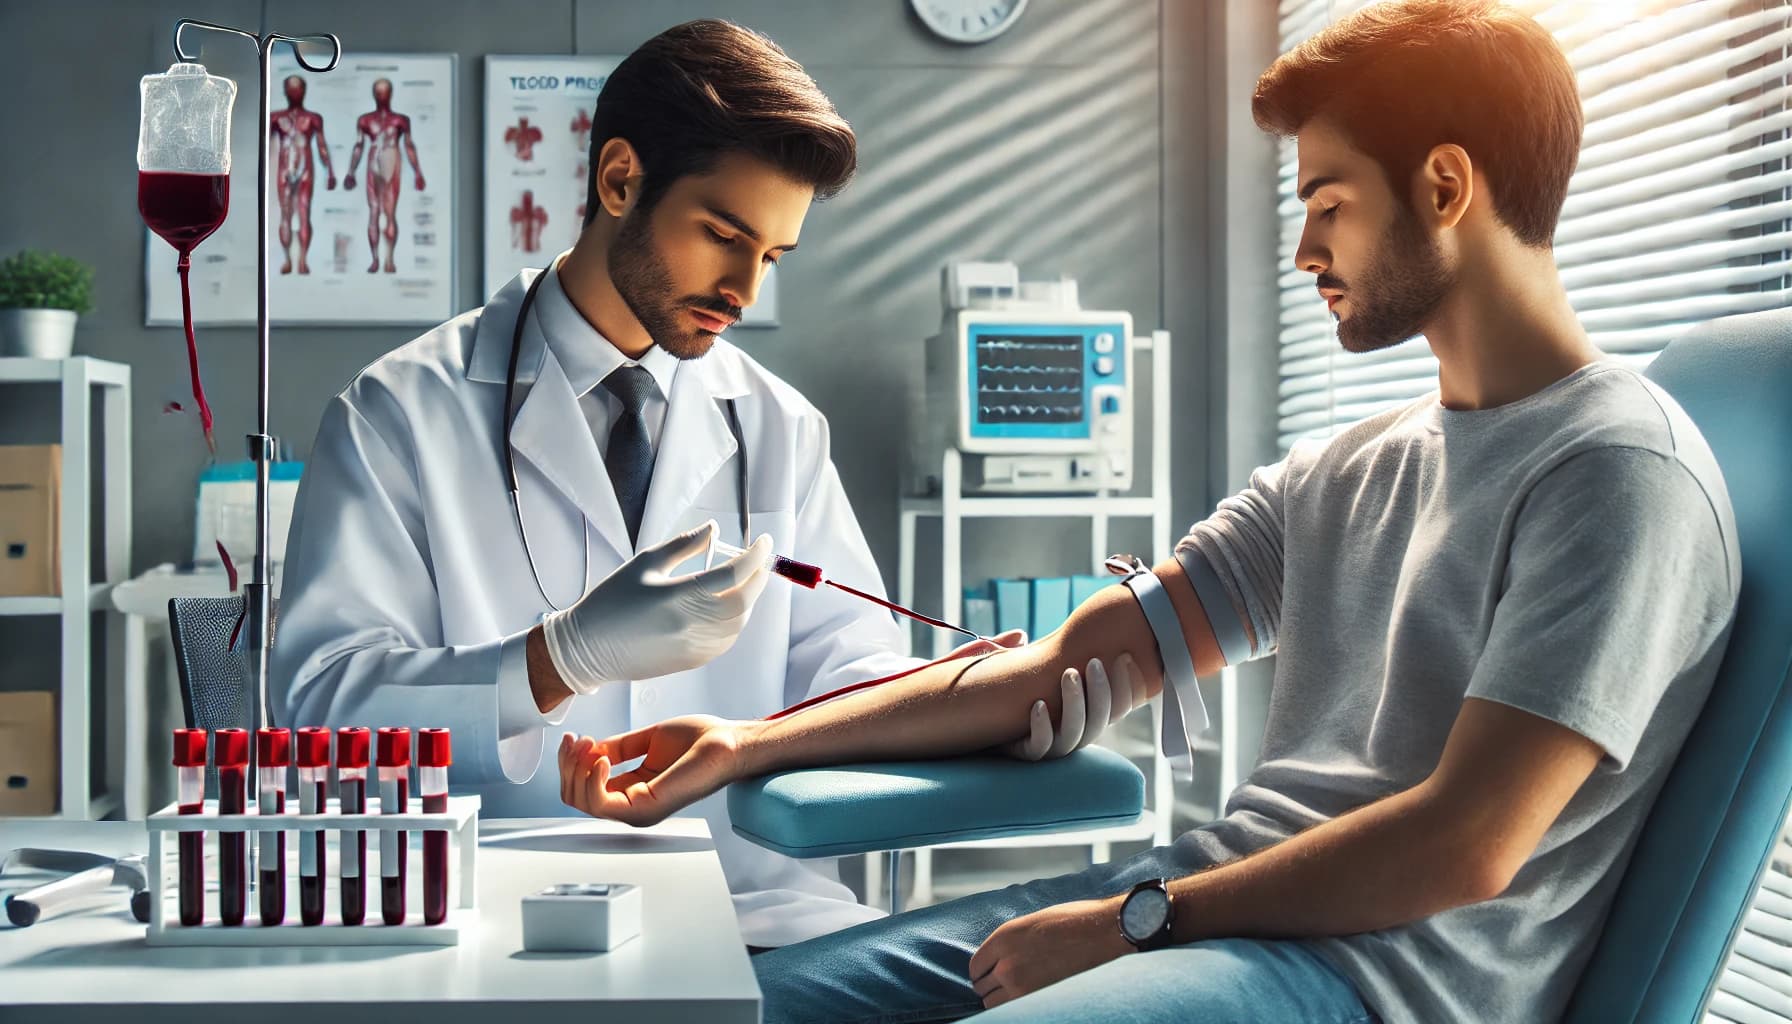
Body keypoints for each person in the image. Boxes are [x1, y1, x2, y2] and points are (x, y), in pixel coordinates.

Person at [556, 2, 1741, 1019]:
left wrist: (1133, 921)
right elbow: (1057, 666)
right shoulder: (1345, 469)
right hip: (1203, 900)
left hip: (1373, 978)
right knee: (752, 1007)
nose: (1304, 250)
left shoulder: (1616, 471)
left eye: (1327, 202)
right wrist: (743, 745)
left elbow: (1465, 843)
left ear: (1444, 185)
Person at [273, 19, 1090, 949]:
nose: (743, 287)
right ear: (620, 180)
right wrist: (556, 661)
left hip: (760, 913)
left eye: (773, 256)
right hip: (496, 916)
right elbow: (321, 715)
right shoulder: (399, 415)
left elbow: (851, 671)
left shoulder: (777, 428)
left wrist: (979, 710)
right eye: (722, 235)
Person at [341, 78, 425, 274]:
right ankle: (375, 259)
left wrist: (418, 172)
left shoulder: (400, 121)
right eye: (378, 92)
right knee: (374, 211)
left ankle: (389, 259)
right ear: (374, 94)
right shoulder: (365, 120)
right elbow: (358, 146)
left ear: (390, 93)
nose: (381, 96)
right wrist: (351, 172)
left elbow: (409, 146)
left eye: (384, 92)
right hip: (374, 160)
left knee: (389, 212)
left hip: (391, 158)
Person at [269, 75, 335, 275]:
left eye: (297, 89)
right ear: (285, 91)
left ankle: (302, 261)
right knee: (285, 214)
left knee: (304, 213)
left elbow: (322, 146)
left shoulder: (313, 119)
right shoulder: (275, 118)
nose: (294, 92)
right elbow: (268, 147)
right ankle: (288, 260)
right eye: (290, 88)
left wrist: (329, 170)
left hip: (306, 169)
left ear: (304, 91)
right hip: (284, 169)